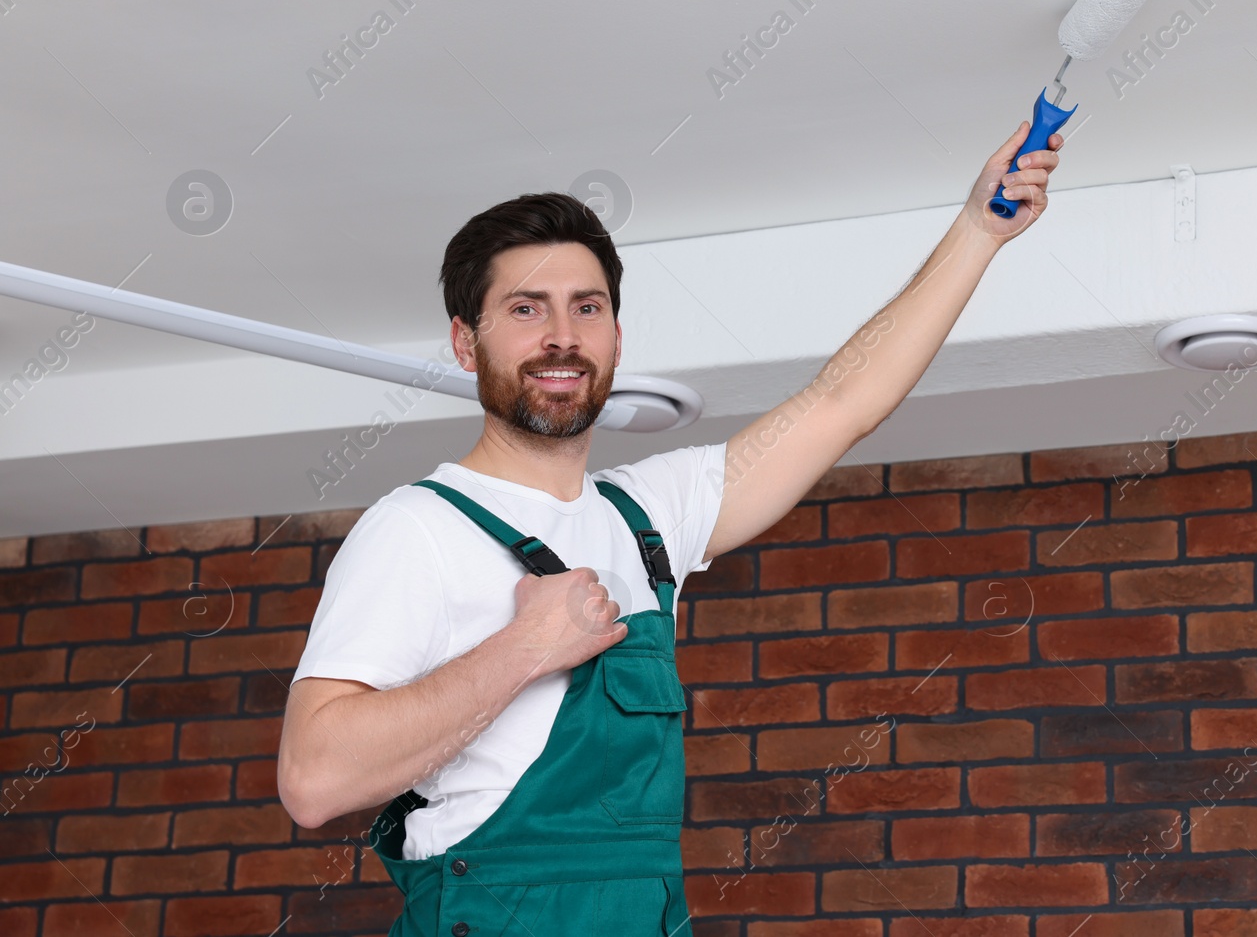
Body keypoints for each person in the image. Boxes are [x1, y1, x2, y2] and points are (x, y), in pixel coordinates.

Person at [277, 121, 1064, 936]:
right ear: (464, 341)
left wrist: (978, 230)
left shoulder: (647, 513)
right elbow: (314, 779)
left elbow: (840, 403)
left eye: (587, 308)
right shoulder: (417, 529)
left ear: (616, 336)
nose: (562, 336)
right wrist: (524, 649)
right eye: (525, 309)